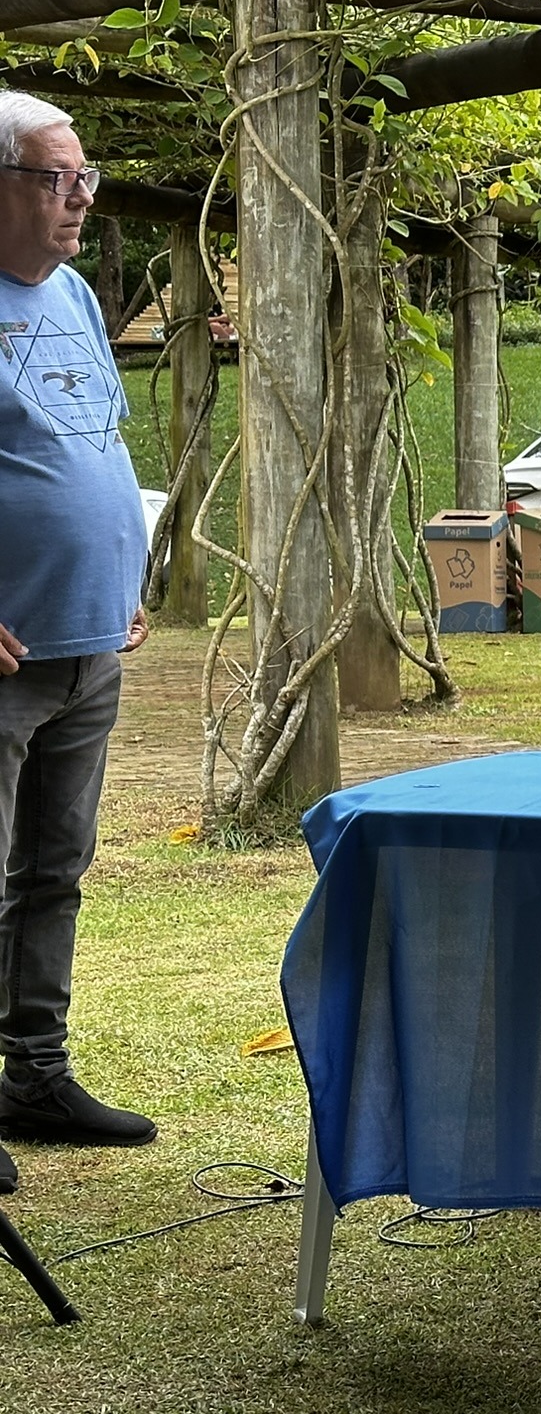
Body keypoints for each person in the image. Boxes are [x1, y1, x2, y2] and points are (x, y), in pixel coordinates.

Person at [0, 92, 158, 1192]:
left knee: (54, 871)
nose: (81, 198)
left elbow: (94, 439)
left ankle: (32, 1074)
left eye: (86, 177)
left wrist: (126, 576)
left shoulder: (79, 297)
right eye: (59, 178)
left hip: (89, 644)